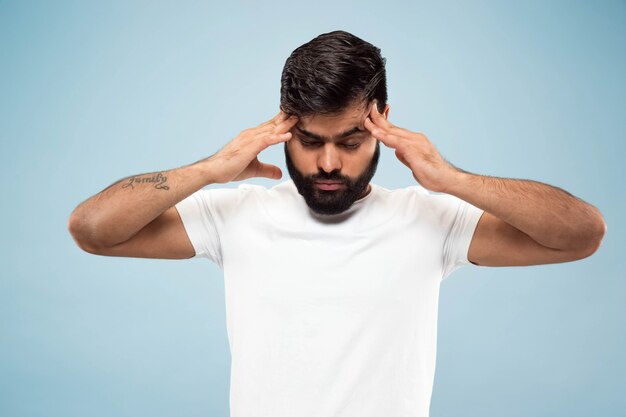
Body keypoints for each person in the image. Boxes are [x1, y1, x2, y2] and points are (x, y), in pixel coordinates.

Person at [68, 30, 606, 417]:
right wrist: (210, 170)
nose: (329, 164)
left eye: (349, 142)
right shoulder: (234, 215)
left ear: (382, 122)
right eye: (310, 142)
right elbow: (92, 229)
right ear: (285, 122)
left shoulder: (432, 218)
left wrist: (451, 179)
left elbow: (582, 234)